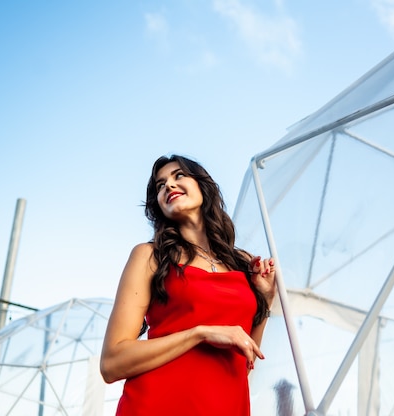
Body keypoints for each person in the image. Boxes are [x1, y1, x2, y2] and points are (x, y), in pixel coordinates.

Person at [100, 154, 277, 416]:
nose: (169, 186)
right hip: (156, 405)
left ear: (203, 186)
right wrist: (200, 333)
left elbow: (246, 358)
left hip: (226, 406)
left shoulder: (243, 263)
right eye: (160, 185)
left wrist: (265, 299)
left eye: (179, 175)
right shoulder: (150, 256)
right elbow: (111, 363)